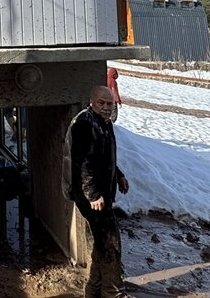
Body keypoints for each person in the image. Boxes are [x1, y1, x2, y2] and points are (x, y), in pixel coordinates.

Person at [64, 85, 130, 298]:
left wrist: (118, 175)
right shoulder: (84, 124)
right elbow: (82, 163)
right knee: (110, 241)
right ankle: (113, 292)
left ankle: (94, 290)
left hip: (100, 193)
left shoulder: (103, 122)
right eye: (102, 103)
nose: (106, 107)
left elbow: (103, 156)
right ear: (91, 102)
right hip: (89, 195)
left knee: (103, 242)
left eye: (110, 104)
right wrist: (92, 194)